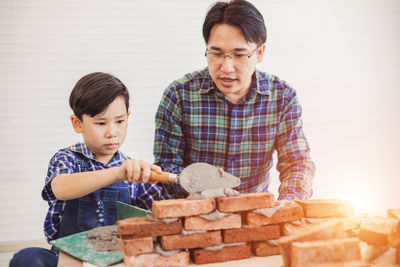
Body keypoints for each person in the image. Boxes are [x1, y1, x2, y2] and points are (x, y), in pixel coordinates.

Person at [153, 0, 315, 201]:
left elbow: (297, 164)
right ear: (206, 48)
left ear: (260, 53)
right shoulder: (178, 96)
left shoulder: (282, 97)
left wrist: (286, 205)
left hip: (257, 215)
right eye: (216, 53)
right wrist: (199, 195)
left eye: (239, 55)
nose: (227, 67)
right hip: (195, 218)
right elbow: (166, 170)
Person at [10, 72, 164, 267]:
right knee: (27, 258)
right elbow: (61, 188)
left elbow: (162, 213)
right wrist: (117, 173)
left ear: (128, 117)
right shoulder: (68, 159)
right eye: (101, 123)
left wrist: (159, 185)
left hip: (114, 261)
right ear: (77, 123)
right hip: (67, 260)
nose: (112, 133)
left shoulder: (132, 170)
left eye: (119, 121)